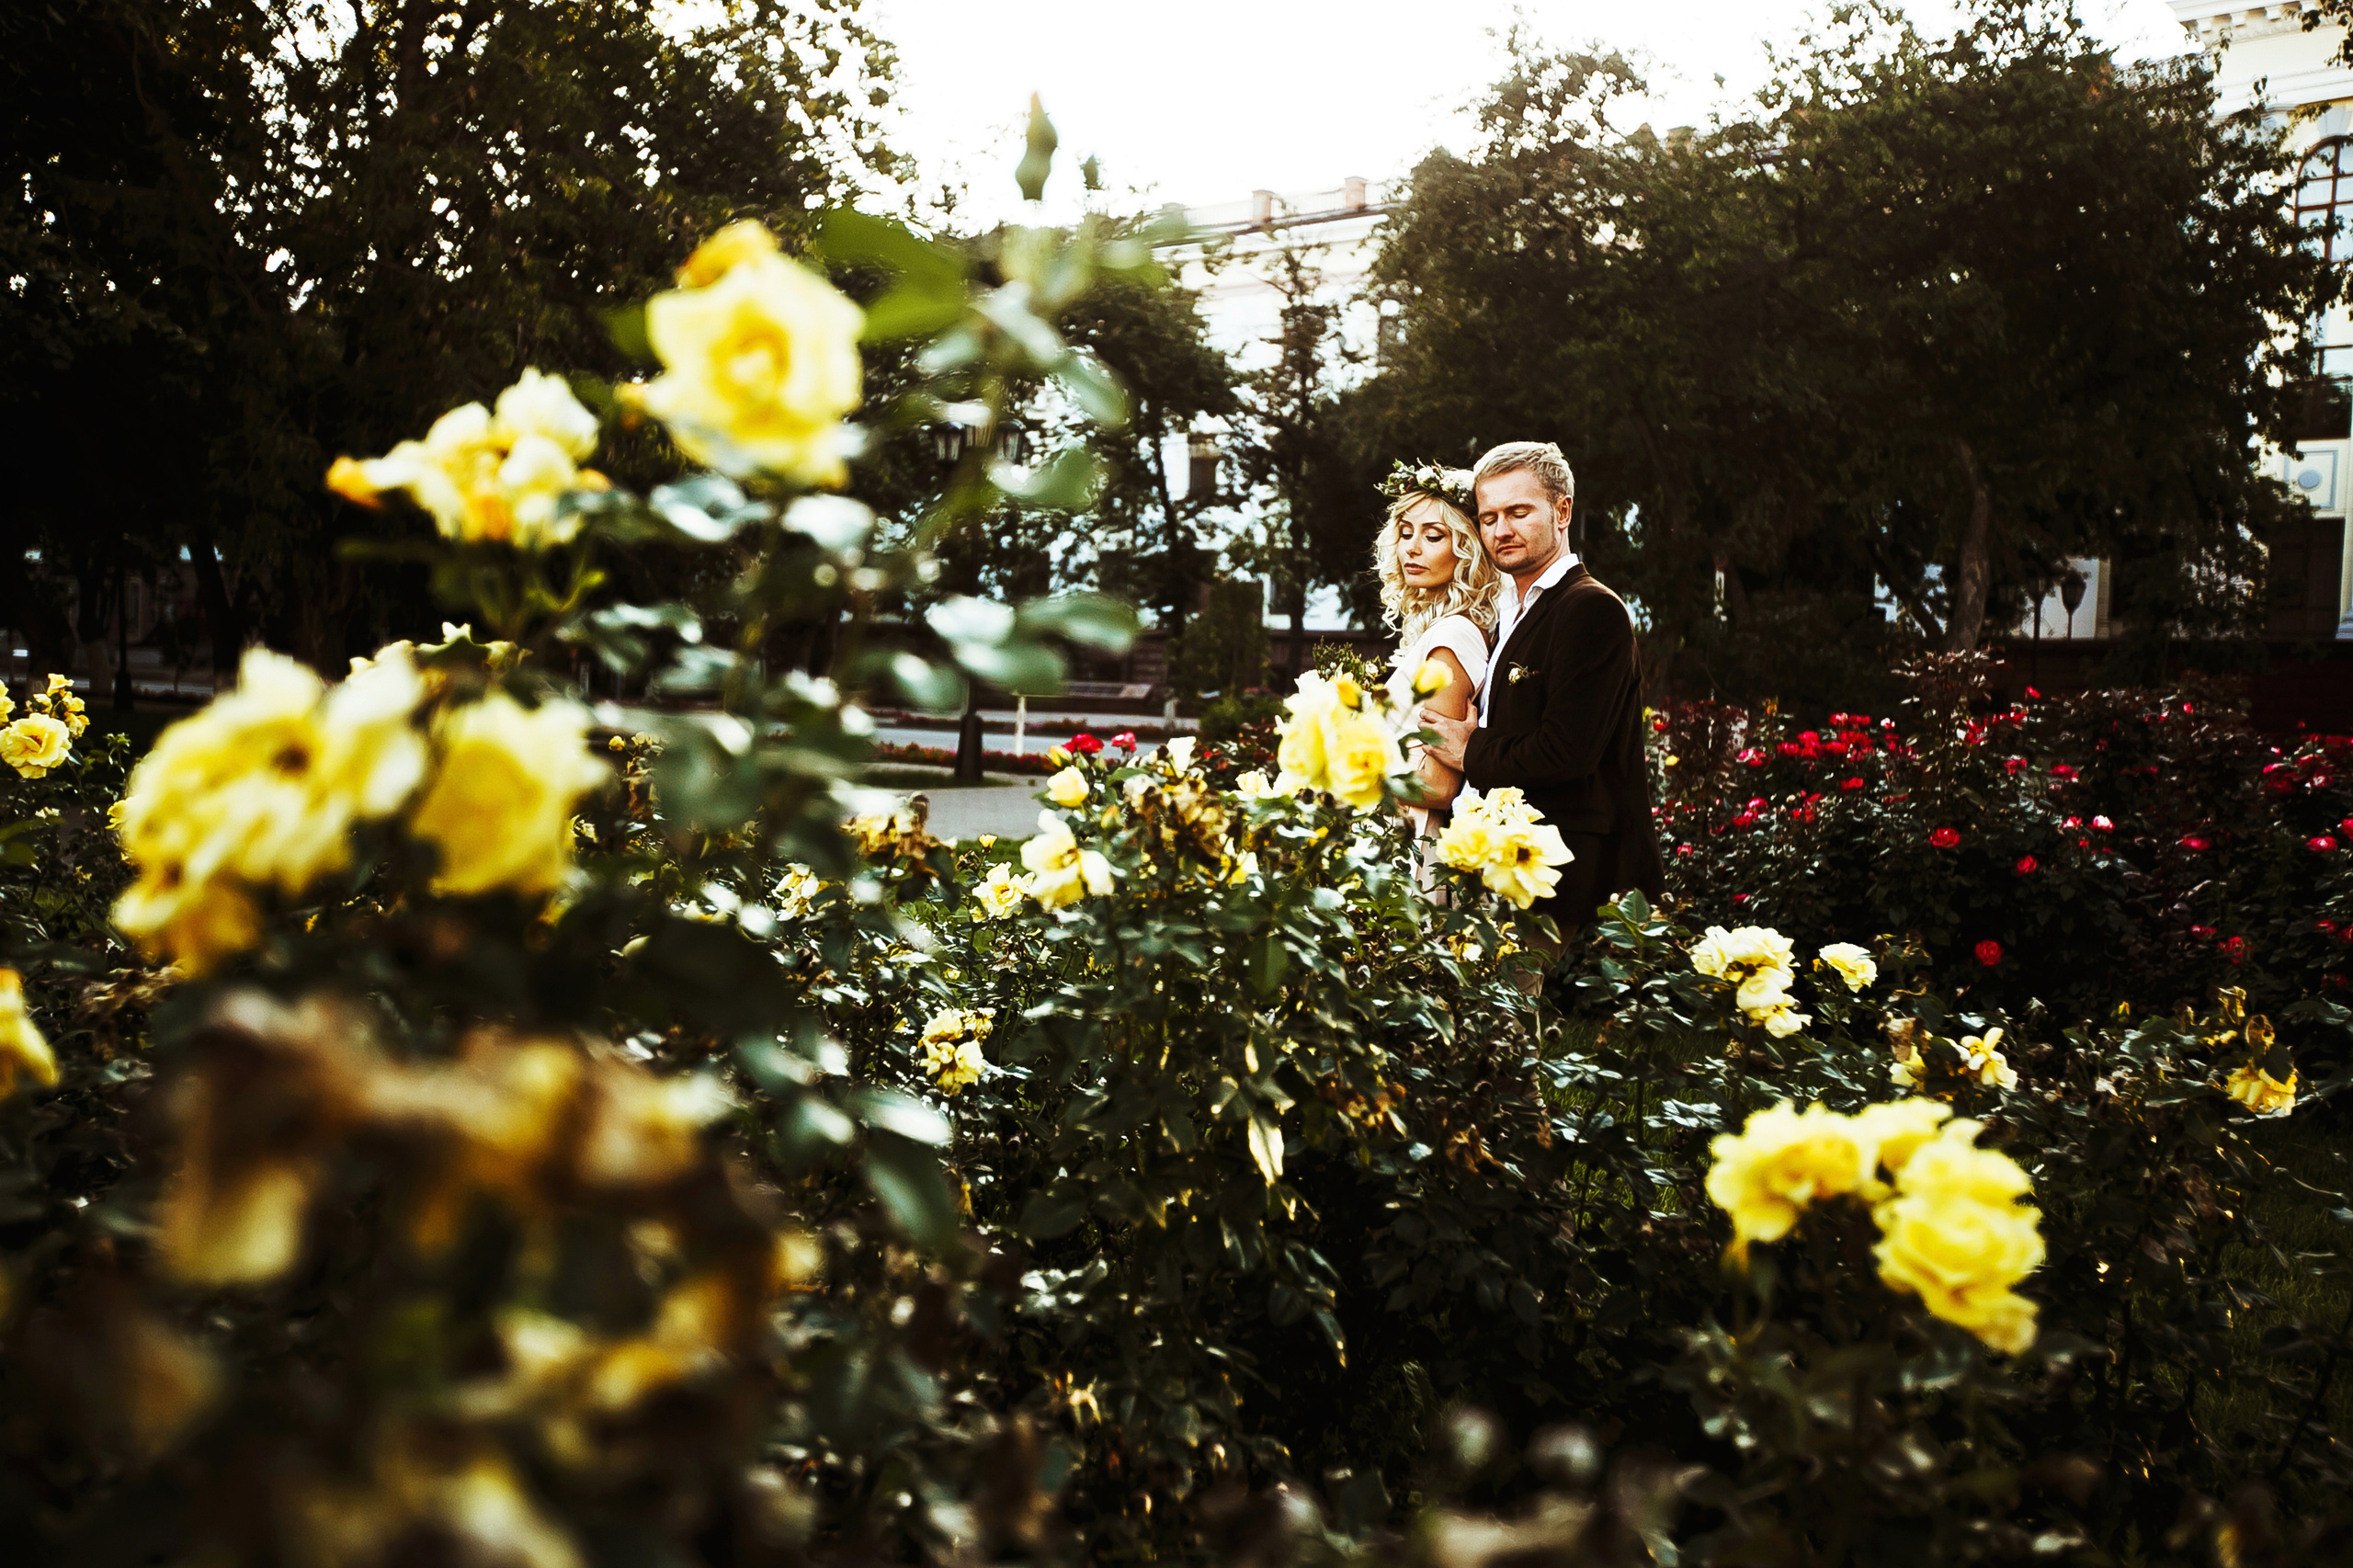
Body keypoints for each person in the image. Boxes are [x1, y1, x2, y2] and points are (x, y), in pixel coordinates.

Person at [1416, 440, 1665, 940]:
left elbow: (1567, 752)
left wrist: (1471, 750)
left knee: (1512, 1015)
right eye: (1488, 518)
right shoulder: (1512, 610)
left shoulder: (1590, 610)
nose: (1501, 530)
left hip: (1559, 877)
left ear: (1562, 510)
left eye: (1518, 512)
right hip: (1501, 866)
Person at [1373, 462, 1499, 838]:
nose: (1411, 548)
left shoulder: (1454, 635)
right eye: (1406, 533)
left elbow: (1441, 787)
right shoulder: (1441, 629)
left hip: (1408, 835)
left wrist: (1347, 773)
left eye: (1433, 536)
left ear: (1466, 547)